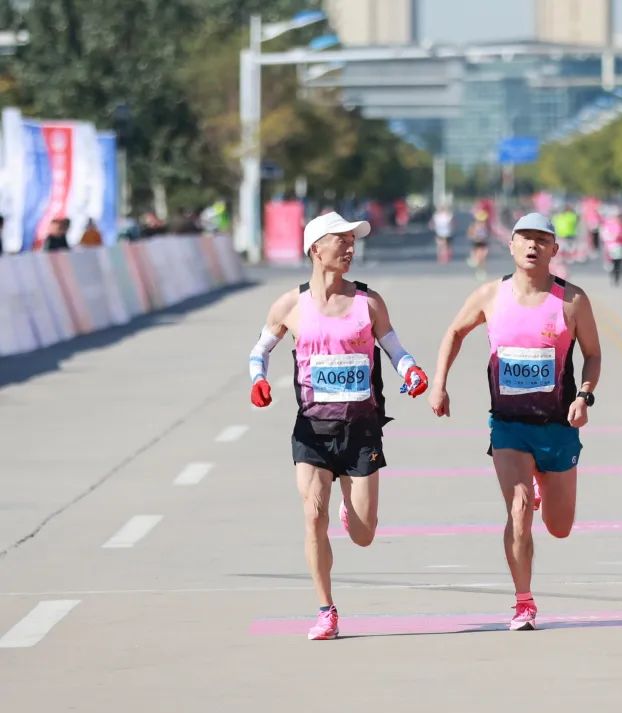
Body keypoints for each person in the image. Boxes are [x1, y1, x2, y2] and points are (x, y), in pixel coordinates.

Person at [247, 211, 430, 640]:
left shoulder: (369, 303)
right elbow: (260, 349)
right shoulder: (290, 305)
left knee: (364, 535)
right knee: (312, 515)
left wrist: (412, 371)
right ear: (316, 249)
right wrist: (257, 378)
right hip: (312, 428)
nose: (350, 248)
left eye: (353, 241)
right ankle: (325, 609)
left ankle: (351, 509)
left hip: (361, 429)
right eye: (341, 241)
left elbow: (396, 350)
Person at [429, 212, 602, 631]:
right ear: (509, 245)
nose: (532, 246)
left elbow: (593, 354)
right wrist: (439, 383)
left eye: (542, 240)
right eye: (525, 238)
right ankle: (524, 601)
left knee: (559, 528)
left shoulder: (572, 300)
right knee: (519, 508)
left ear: (554, 250)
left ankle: (545, 481)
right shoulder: (491, 295)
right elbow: (454, 332)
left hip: (558, 426)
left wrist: (583, 396)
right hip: (508, 425)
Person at [466, 209, 491, 280]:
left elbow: (488, 234)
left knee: (483, 258)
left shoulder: (486, 226)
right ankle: (477, 266)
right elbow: (469, 235)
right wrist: (475, 237)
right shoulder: (473, 226)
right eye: (480, 221)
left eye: (483, 221)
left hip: (484, 244)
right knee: (479, 258)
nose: (482, 222)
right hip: (476, 244)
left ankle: (481, 271)